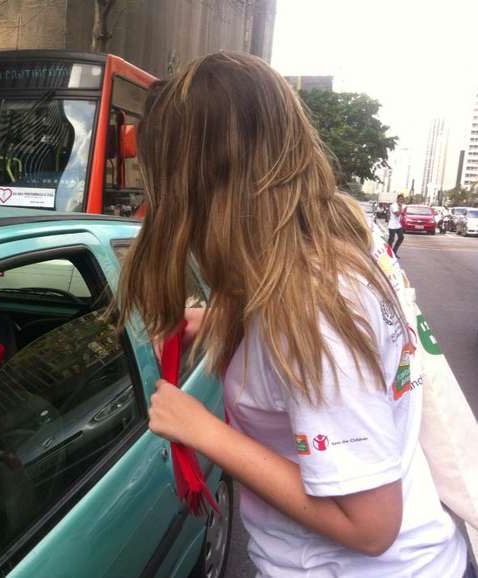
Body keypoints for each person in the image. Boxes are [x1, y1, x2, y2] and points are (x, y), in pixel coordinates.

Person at [116, 52, 469, 577]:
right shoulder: (338, 234)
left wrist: (203, 429)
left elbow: (372, 526)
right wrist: (218, 321)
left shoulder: (316, 307)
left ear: (199, 182)